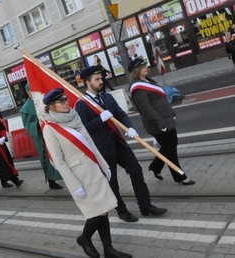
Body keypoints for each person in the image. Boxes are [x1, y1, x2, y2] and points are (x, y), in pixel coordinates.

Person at [41, 88, 131, 258]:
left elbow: (90, 143)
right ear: (51, 106)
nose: (66, 102)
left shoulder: (74, 117)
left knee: (104, 208)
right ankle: (85, 238)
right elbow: (58, 161)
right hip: (80, 177)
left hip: (95, 170)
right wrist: (74, 185)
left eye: (66, 99)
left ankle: (108, 249)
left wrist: (104, 166)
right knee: (98, 212)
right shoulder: (50, 128)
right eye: (61, 101)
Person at [75, 66, 168, 222]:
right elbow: (83, 127)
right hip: (103, 148)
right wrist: (100, 119)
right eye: (97, 79)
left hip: (119, 142)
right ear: (88, 82)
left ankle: (146, 206)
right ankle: (122, 211)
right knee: (113, 182)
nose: (101, 81)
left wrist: (129, 127)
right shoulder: (82, 104)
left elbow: (120, 113)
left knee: (136, 170)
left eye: (101, 78)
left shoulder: (107, 98)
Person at [128, 58, 195, 185]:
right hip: (158, 124)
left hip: (167, 120)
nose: (146, 68)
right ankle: (180, 177)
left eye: (145, 65)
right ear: (136, 71)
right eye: (142, 67)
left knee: (169, 146)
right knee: (170, 150)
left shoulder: (148, 81)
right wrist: (160, 123)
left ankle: (155, 167)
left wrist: (172, 114)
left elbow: (162, 99)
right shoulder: (138, 88)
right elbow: (146, 109)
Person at [20, 83, 63, 190]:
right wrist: (39, 125)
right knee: (46, 158)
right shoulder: (26, 108)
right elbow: (28, 125)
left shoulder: (42, 100)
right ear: (27, 92)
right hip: (40, 137)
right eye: (30, 91)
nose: (32, 92)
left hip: (51, 132)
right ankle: (51, 180)